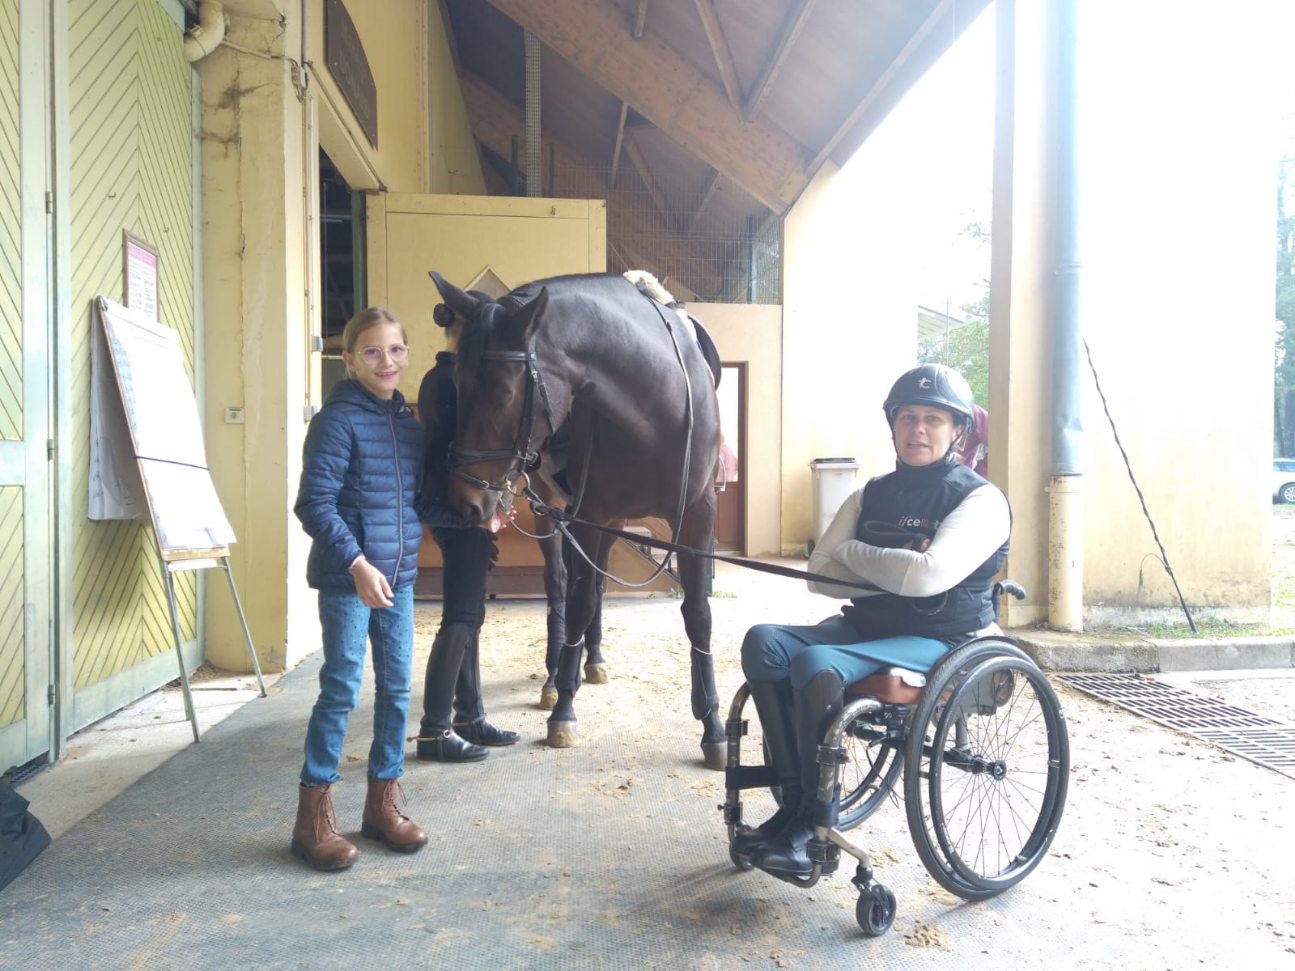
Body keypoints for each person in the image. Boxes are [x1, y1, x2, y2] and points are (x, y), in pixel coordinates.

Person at [735, 364, 1010, 879]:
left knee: (817, 661)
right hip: (868, 629)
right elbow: (820, 573)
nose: (918, 429)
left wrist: (857, 553)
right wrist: (895, 557)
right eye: (908, 417)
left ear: (956, 430)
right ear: (893, 425)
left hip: (941, 639)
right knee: (763, 643)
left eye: (933, 418)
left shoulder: (980, 499)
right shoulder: (871, 493)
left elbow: (927, 578)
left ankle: (813, 827)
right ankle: (795, 804)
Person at [291, 307, 428, 871]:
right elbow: (314, 504)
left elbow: (415, 502)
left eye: (395, 350)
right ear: (348, 360)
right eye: (371, 351)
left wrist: (481, 516)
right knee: (342, 689)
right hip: (351, 581)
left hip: (399, 579)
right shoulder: (337, 420)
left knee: (397, 692)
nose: (386, 361)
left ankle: (381, 804)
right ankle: (312, 817)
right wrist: (356, 564)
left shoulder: (408, 425)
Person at [413, 303, 520, 763]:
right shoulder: (448, 381)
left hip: (465, 510)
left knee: (470, 615)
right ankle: (435, 729)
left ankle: (469, 715)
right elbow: (448, 460)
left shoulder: (453, 380)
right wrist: (479, 514)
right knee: (458, 616)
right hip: (456, 511)